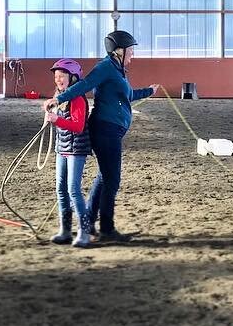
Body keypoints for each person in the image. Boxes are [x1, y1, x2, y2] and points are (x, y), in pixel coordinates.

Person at [45, 30, 154, 244]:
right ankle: (106, 228)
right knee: (112, 180)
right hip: (105, 129)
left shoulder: (119, 70)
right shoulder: (105, 67)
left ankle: (91, 222)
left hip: (113, 129)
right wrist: (59, 99)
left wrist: (148, 91)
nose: (132, 54)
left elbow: (128, 95)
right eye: (130, 50)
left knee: (105, 176)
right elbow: (84, 85)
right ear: (119, 51)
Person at [45, 58, 92, 249]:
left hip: (76, 149)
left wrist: (57, 120)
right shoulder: (60, 96)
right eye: (56, 76)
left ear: (72, 77)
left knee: (73, 189)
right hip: (62, 147)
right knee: (60, 189)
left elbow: (78, 126)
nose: (59, 79)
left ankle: (84, 231)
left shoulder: (78, 98)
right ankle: (65, 229)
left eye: (62, 76)